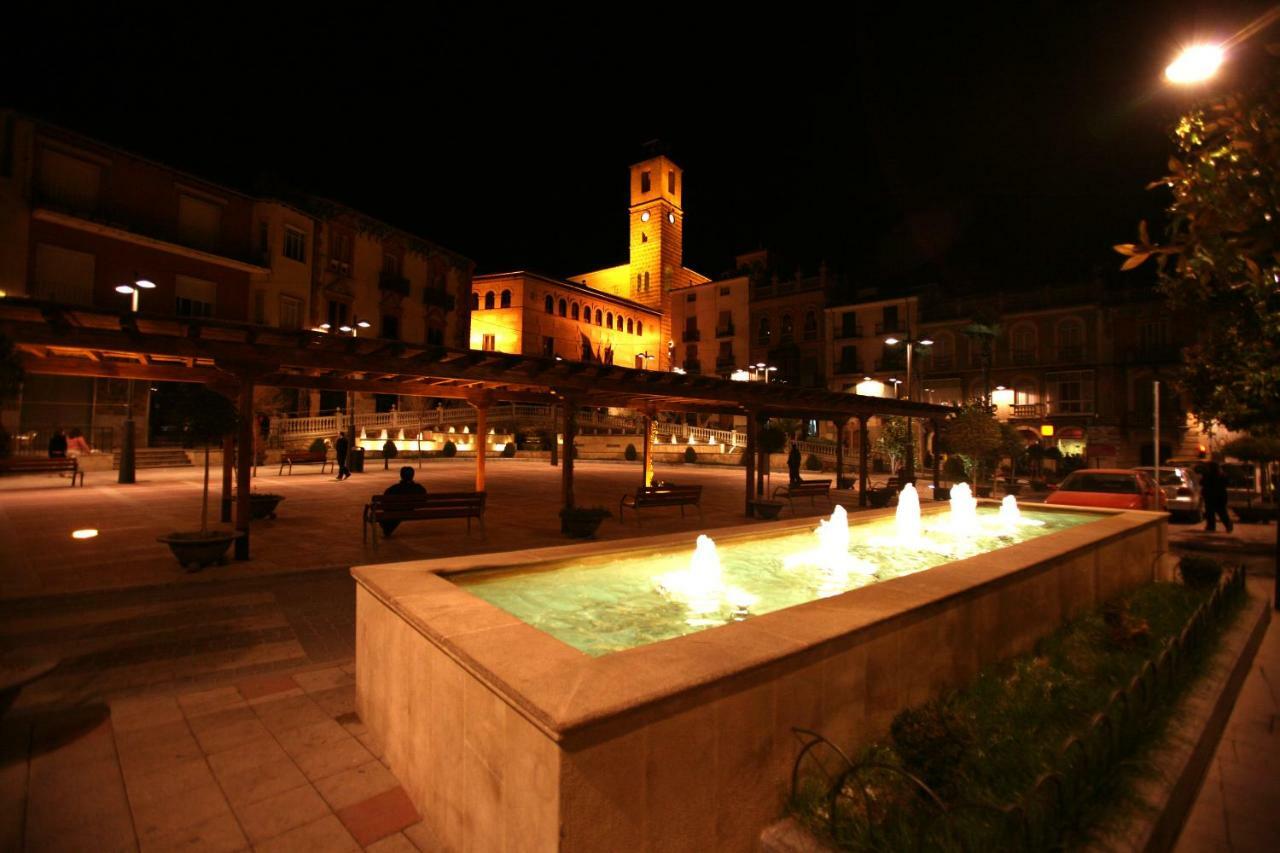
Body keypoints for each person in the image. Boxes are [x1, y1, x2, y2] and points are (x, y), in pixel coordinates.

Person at [380, 466, 426, 537]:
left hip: (398, 510)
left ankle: (387, 528)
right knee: (398, 511)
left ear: (401, 475)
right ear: (413, 475)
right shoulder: (419, 488)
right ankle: (387, 528)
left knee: (394, 512)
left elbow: (384, 501)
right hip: (412, 510)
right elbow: (424, 500)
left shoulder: (394, 489)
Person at [1199, 461, 1233, 533]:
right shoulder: (1222, 475)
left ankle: (1211, 526)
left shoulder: (1207, 474)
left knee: (1210, 512)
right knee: (1221, 511)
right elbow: (1227, 483)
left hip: (1210, 496)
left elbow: (1202, 482)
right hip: (1220, 496)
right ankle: (1227, 524)